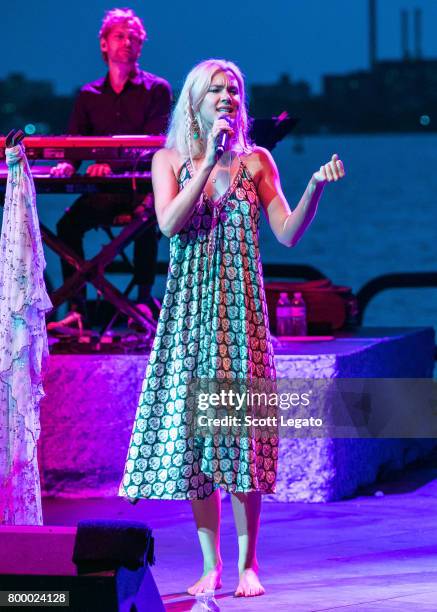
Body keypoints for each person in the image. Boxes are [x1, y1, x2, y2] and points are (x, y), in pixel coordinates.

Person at [119, 59, 345, 597]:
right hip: (190, 317)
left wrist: (313, 186)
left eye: (234, 89)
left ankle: (249, 564)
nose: (227, 96)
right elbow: (170, 222)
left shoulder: (257, 161)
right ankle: (210, 564)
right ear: (195, 99)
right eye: (216, 89)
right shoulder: (169, 159)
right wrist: (208, 162)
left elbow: (287, 233)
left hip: (240, 317)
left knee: (242, 439)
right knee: (199, 445)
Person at [51, 8, 172, 321]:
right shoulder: (89, 95)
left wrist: (109, 163)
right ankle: (76, 307)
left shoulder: (157, 89)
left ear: (141, 47)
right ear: (104, 44)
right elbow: (75, 144)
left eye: (134, 38)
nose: (127, 42)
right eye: (120, 36)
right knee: (66, 226)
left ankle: (142, 300)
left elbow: (154, 145)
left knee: (148, 216)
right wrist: (68, 165)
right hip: (104, 191)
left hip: (143, 188)